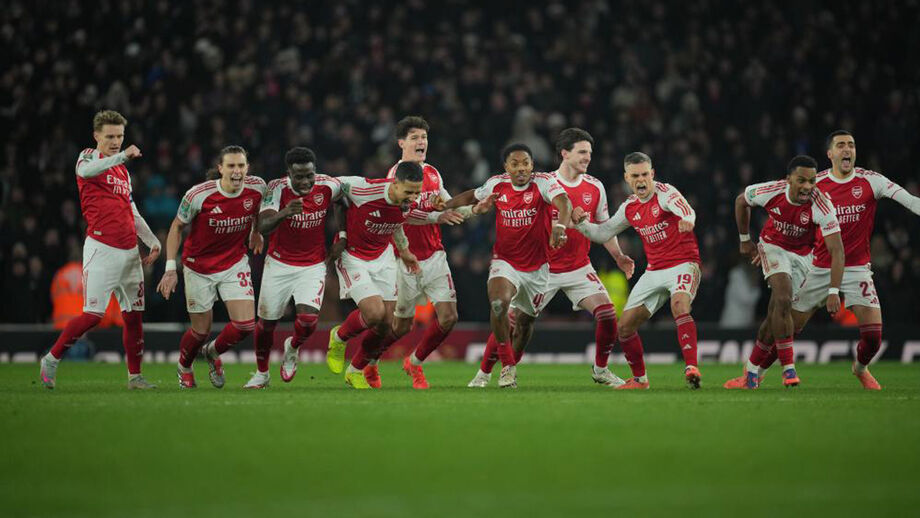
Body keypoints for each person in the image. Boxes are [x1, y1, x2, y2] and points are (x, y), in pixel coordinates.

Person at [469, 128, 635, 388]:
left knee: (606, 314)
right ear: (564, 154)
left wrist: (619, 256)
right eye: (582, 152)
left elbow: (603, 228)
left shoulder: (595, 186)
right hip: (542, 268)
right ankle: (485, 372)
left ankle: (601, 370)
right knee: (513, 322)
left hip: (578, 266)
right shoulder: (543, 182)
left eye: (589, 153)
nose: (587, 157)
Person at [756, 131, 920, 390]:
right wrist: (771, 243)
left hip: (856, 268)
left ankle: (861, 368)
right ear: (830, 154)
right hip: (819, 266)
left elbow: (910, 201)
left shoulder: (871, 180)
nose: (847, 149)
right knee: (788, 325)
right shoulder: (814, 183)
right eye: (841, 145)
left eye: (851, 145)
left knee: (874, 337)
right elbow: (783, 206)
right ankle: (757, 372)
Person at [39, 110, 160, 390]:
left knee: (134, 316)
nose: (116, 141)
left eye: (119, 136)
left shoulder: (122, 172)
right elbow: (85, 171)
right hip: (102, 249)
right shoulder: (88, 157)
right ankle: (52, 359)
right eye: (110, 136)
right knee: (93, 316)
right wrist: (122, 156)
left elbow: (132, 211)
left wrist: (152, 240)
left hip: (130, 251)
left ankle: (135, 377)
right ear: (96, 136)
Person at [444, 143, 572, 388]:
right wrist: (446, 204)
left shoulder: (543, 183)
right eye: (515, 164)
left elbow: (563, 202)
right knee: (498, 304)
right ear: (506, 167)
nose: (521, 168)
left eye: (525, 163)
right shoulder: (497, 184)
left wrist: (560, 226)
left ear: (532, 165)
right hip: (506, 261)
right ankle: (507, 366)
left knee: (524, 324)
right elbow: (473, 194)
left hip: (537, 267)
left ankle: (501, 369)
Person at [573, 152, 702, 389]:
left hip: (683, 263)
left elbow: (686, 210)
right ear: (627, 178)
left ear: (652, 174)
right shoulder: (630, 206)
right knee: (625, 326)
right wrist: (581, 223)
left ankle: (691, 367)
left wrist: (687, 220)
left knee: (679, 305)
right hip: (654, 271)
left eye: (645, 174)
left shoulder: (666, 193)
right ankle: (641, 380)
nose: (641, 180)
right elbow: (603, 233)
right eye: (635, 176)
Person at [723, 155, 844, 389]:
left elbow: (837, 250)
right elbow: (741, 201)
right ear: (788, 179)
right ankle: (788, 369)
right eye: (801, 180)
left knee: (774, 316)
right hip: (772, 246)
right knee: (783, 297)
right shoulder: (772, 191)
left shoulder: (821, 205)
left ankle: (750, 374)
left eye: (811, 181)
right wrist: (745, 239)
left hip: (803, 257)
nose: (807, 187)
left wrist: (833, 290)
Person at [324, 161, 443, 389]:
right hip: (353, 256)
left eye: (417, 191)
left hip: (383, 256)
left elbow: (396, 223)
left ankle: (355, 370)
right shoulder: (364, 188)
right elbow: (332, 183)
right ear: (395, 183)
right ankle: (338, 338)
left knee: (387, 324)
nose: (413, 197)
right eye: (408, 191)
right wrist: (340, 233)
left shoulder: (408, 200)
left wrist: (405, 251)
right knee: (374, 313)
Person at [156, 146, 266, 389]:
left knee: (245, 325)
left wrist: (256, 232)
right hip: (198, 268)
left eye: (241, 166)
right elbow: (176, 228)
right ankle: (184, 366)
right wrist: (171, 268)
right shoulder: (198, 195)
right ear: (220, 169)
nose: (237, 171)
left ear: (247, 167)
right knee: (200, 331)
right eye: (231, 166)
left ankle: (212, 353)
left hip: (234, 262)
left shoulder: (257, 186)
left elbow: (257, 210)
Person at [243, 147, 344, 388]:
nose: (306, 181)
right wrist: (285, 212)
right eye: (299, 176)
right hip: (278, 263)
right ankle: (262, 373)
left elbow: (344, 203)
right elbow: (264, 226)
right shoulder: (276, 188)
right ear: (289, 173)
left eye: (309, 175)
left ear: (315, 171)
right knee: (267, 324)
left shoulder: (328, 185)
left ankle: (292, 347)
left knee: (308, 321)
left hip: (313, 264)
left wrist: (342, 235)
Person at [385, 116, 468, 389]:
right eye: (415, 138)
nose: (422, 142)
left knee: (449, 317)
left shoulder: (432, 172)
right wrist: (436, 218)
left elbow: (445, 204)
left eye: (424, 137)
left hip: (434, 256)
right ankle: (365, 363)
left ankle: (415, 363)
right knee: (401, 327)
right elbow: (402, 215)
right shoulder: (394, 176)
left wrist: (473, 208)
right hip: (404, 258)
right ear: (401, 143)